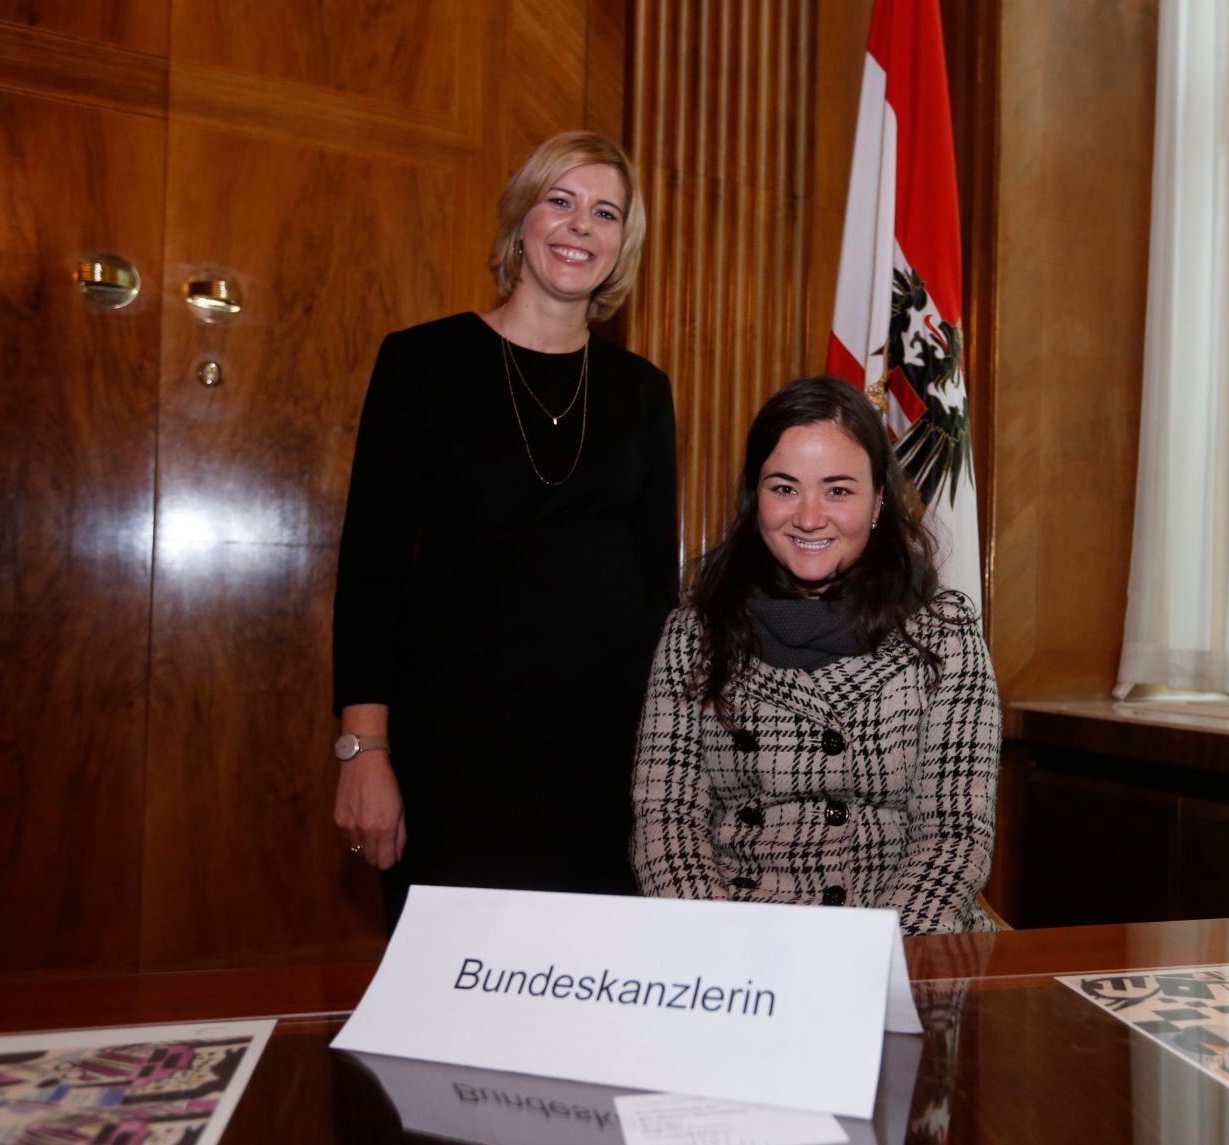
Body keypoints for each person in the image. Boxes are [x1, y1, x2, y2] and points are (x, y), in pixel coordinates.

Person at [332, 131, 676, 927]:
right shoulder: (421, 364)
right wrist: (363, 751)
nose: (579, 227)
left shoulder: (644, 392)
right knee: (448, 1017)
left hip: (605, 769)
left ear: (623, 243)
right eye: (560, 201)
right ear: (522, 217)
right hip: (450, 762)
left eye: (605, 213)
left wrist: (668, 772)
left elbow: (658, 589)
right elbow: (371, 571)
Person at [631, 376, 999, 934]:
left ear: (878, 502)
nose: (808, 517)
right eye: (784, 488)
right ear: (757, 498)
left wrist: (873, 960)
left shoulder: (943, 633)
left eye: (838, 490)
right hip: (739, 941)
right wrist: (713, 949)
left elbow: (954, 837)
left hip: (899, 942)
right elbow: (665, 822)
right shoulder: (694, 634)